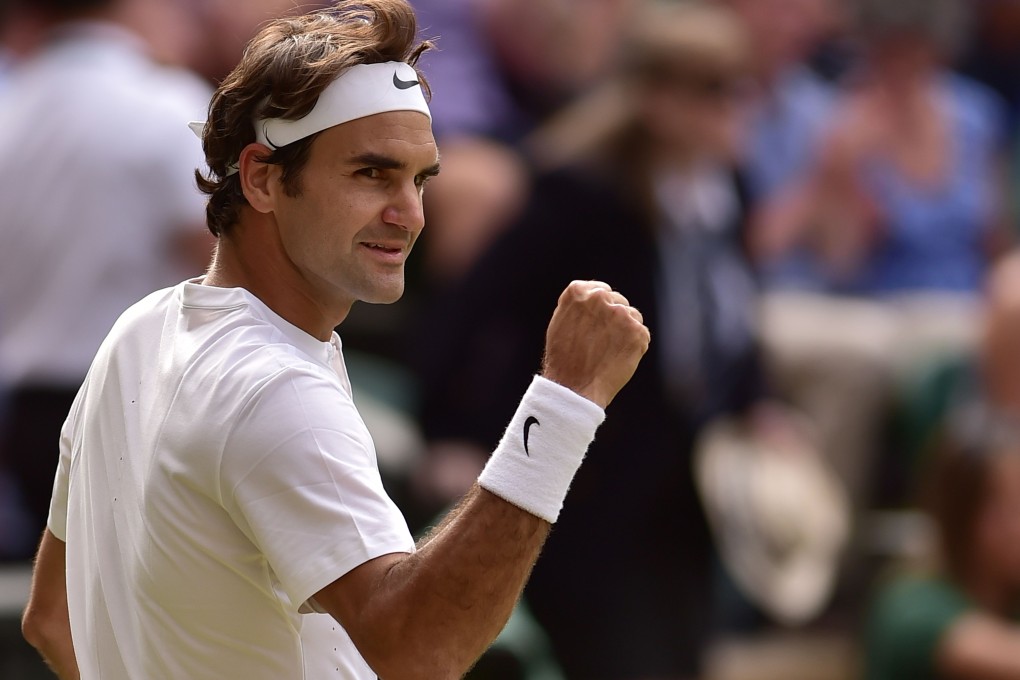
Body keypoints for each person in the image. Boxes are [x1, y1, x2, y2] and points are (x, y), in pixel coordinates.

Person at [19, 2, 650, 678]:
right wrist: (563, 402)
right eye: (371, 172)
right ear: (263, 178)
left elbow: (53, 619)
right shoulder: (275, 387)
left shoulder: (140, 329)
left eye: (420, 178)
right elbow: (420, 647)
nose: (409, 214)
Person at [412, 2, 830, 676]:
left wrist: (757, 401)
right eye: (713, 90)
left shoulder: (724, 190)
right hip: (591, 479)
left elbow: (731, 314)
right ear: (658, 97)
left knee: (686, 652)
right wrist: (449, 430)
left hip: (688, 474)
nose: (734, 108)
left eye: (739, 87)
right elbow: (469, 311)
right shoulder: (579, 196)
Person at [0, 0, 214, 557]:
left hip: (27, 415)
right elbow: (231, 267)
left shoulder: (10, 111)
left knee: (63, 618)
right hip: (140, 409)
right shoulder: (168, 109)